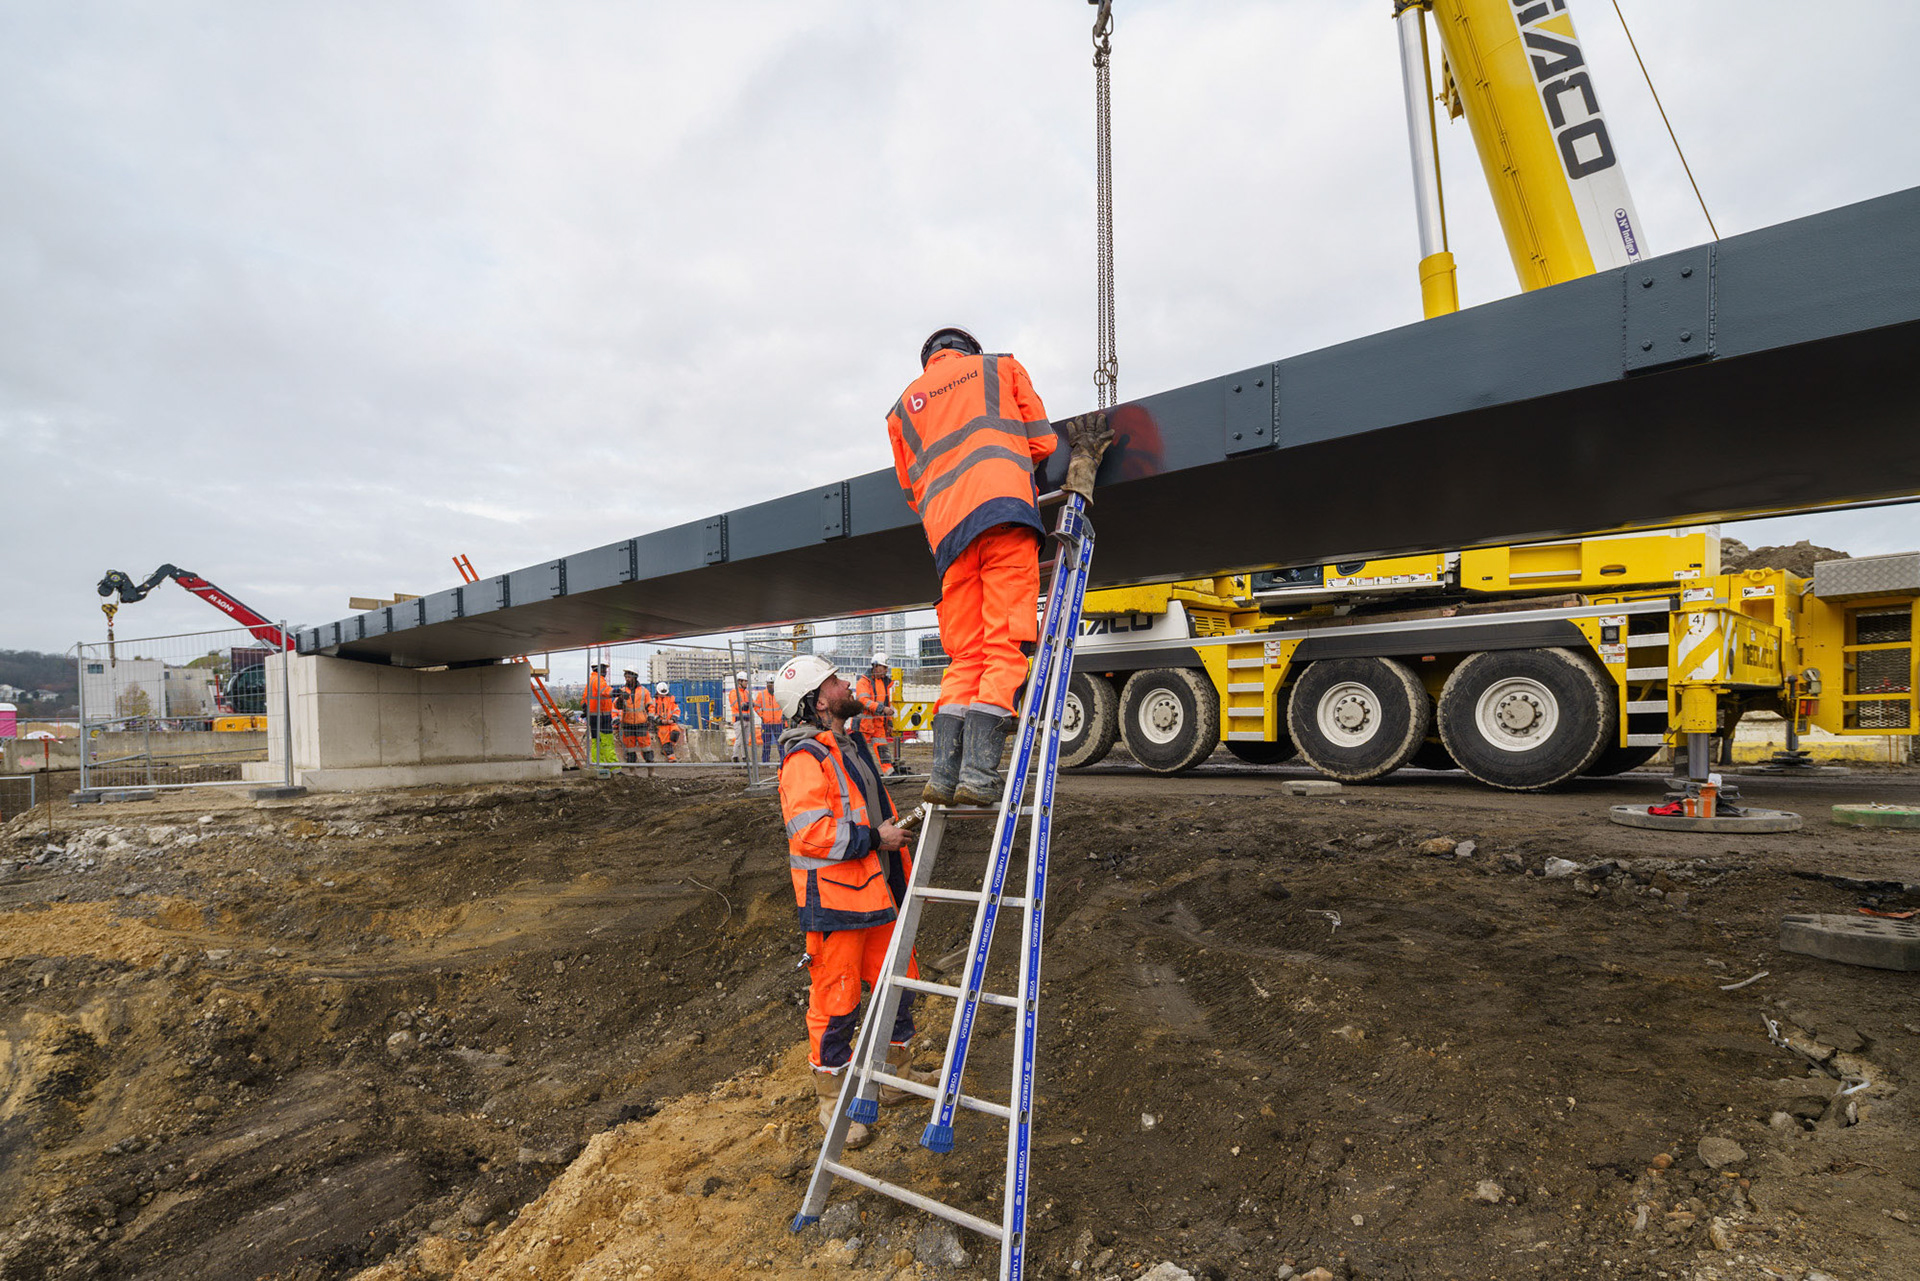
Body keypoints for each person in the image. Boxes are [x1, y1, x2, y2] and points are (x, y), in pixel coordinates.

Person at [886, 327, 1109, 806]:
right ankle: (979, 777)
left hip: (946, 536)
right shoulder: (1000, 367)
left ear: (930, 359)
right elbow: (1043, 443)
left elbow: (911, 493)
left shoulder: (902, 408)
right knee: (1005, 641)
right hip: (1002, 511)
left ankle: (944, 777)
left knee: (966, 655)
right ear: (971, 351)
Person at [773, 654, 934, 1148]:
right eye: (836, 680)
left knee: (898, 983)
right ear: (819, 699)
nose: (848, 684)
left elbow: (865, 812)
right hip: (839, 902)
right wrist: (873, 839)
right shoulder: (806, 758)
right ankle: (833, 1102)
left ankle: (893, 1076)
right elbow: (810, 833)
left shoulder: (849, 745)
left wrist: (895, 831)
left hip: (877, 889)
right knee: (838, 1000)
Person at [854, 652, 902, 777]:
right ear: (875, 666)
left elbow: (887, 703)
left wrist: (889, 721)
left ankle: (889, 773)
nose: (886, 670)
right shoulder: (863, 682)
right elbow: (864, 701)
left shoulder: (884, 683)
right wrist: (883, 709)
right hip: (863, 724)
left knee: (882, 748)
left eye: (886, 667)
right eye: (884, 667)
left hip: (878, 722)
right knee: (859, 750)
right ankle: (858, 773)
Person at [616, 669, 654, 764]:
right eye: (626, 677)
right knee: (630, 750)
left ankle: (651, 771)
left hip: (641, 723)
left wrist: (650, 719)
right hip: (627, 724)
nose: (627, 679)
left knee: (646, 748)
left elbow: (650, 706)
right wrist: (620, 699)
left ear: (635, 677)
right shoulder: (622, 691)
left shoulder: (644, 691)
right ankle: (632, 772)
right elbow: (617, 707)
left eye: (629, 677)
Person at [584, 660, 617, 767]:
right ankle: (614, 768)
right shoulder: (598, 679)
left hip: (593, 716)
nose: (606, 671)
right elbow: (604, 690)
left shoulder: (591, 680)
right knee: (607, 742)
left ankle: (599, 766)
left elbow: (584, 700)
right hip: (602, 717)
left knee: (596, 743)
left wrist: (586, 710)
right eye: (604, 669)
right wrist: (616, 692)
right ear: (600, 668)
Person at [724, 671, 755, 763]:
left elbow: (751, 704)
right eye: (745, 681)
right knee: (739, 740)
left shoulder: (747, 693)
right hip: (738, 720)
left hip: (747, 719)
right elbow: (738, 706)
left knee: (745, 741)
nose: (746, 683)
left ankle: (745, 757)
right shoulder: (734, 693)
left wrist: (747, 704)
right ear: (740, 682)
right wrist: (747, 704)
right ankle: (735, 757)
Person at [754, 676, 784, 764]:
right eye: (769, 683)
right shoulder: (761, 694)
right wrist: (762, 716)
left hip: (778, 723)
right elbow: (756, 707)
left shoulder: (779, 694)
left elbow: (783, 705)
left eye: (772, 683)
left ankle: (783, 761)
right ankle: (765, 762)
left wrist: (781, 716)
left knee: (781, 743)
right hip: (766, 723)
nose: (771, 685)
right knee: (766, 744)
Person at [652, 681, 682, 762]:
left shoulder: (671, 700)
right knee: (665, 740)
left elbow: (676, 710)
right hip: (661, 725)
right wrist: (660, 721)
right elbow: (652, 713)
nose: (663, 694)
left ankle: (670, 746)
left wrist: (672, 719)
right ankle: (671, 757)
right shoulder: (654, 701)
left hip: (670, 722)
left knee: (676, 732)